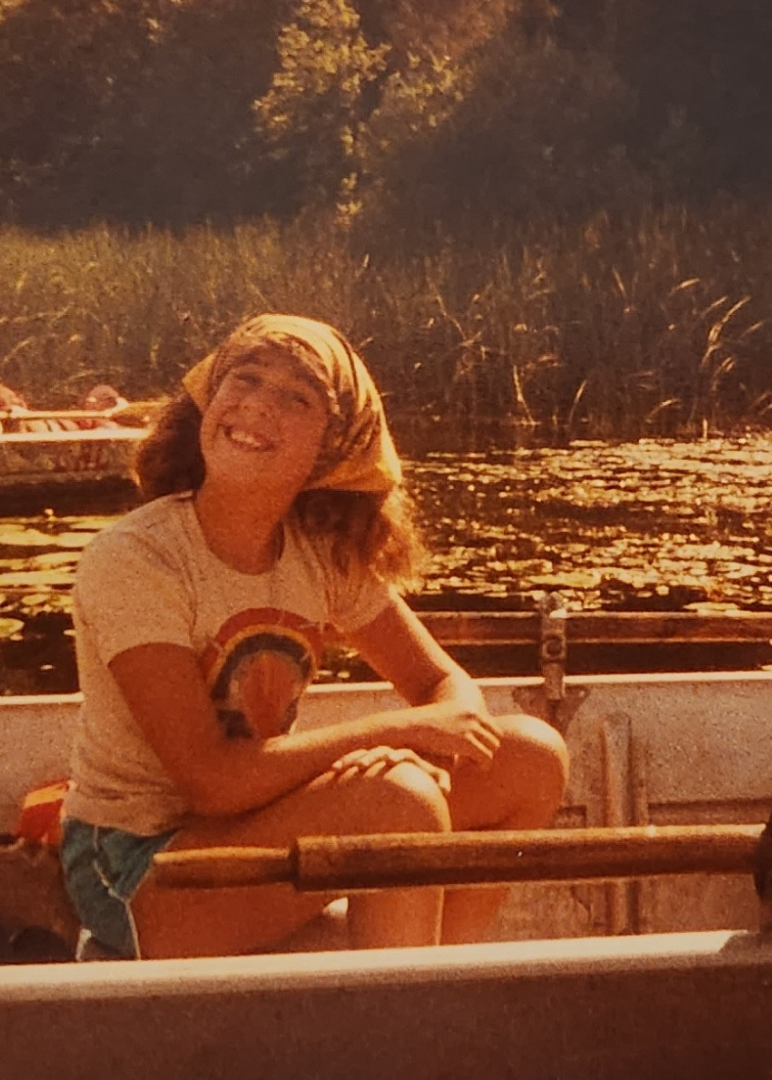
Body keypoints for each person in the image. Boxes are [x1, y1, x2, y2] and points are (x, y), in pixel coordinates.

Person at [59, 313, 569, 960]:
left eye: (295, 398)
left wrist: (432, 735)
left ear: (331, 447)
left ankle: (427, 972)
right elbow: (210, 783)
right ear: (210, 400)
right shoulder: (138, 559)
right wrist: (394, 738)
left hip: (255, 827)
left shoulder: (318, 555)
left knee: (530, 756)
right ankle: (403, 1019)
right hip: (137, 870)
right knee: (396, 801)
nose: (256, 405)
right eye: (243, 379)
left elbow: (446, 687)